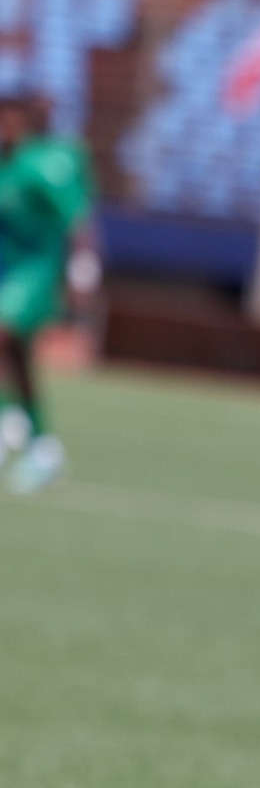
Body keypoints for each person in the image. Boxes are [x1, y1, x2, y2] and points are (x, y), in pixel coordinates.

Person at [0, 91, 93, 493]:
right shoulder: (8, 167)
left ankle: (14, 424)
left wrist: (82, 270)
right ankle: (39, 444)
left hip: (34, 271)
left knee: (3, 334)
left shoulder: (42, 165)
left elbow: (78, 219)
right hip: (5, 270)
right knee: (17, 356)